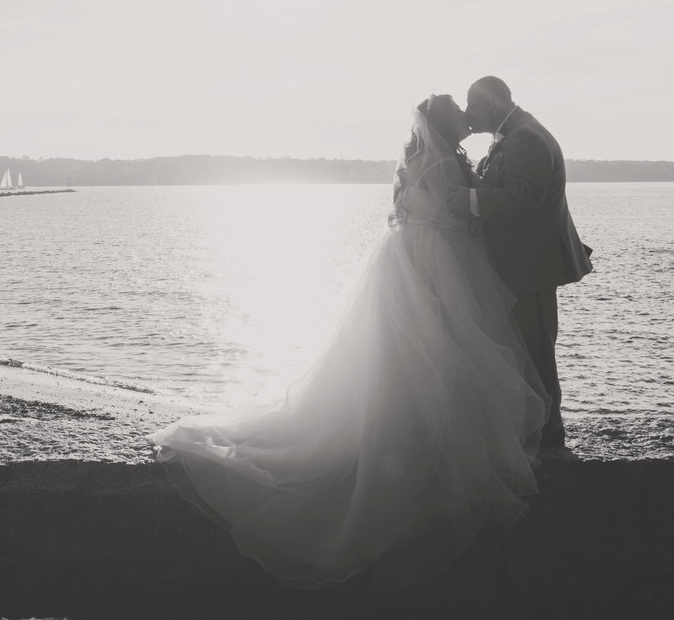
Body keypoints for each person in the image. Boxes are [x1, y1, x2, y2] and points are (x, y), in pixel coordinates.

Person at [148, 96, 548, 589]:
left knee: (404, 354)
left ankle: (404, 427)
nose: (468, 116)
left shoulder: (418, 159)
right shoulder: (443, 161)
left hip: (408, 258)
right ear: (446, 124)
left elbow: (411, 211)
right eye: (460, 112)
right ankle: (425, 444)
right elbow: (451, 213)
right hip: (435, 262)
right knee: (440, 350)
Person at [455, 76, 592, 450]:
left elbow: (525, 196)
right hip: (521, 263)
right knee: (527, 349)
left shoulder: (527, 137)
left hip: (531, 266)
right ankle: (536, 428)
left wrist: (465, 200)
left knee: (536, 349)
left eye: (473, 105)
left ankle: (551, 435)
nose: (468, 113)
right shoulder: (514, 134)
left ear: (494, 105)